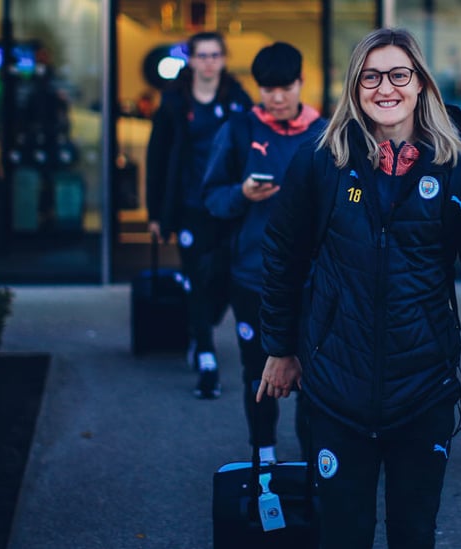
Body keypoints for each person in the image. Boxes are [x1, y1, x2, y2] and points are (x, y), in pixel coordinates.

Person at [257, 28, 461, 548]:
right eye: (371, 76)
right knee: (343, 535)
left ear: (421, 84)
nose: (386, 87)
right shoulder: (322, 161)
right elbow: (282, 257)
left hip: (423, 392)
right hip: (337, 392)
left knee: (413, 535)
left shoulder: (459, 171)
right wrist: (281, 347)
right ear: (354, 87)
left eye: (399, 74)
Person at [201, 42, 327, 464]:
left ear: (301, 84)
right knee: (258, 372)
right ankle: (264, 455)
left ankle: (314, 465)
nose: (276, 98)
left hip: (315, 280)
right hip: (252, 276)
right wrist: (242, 193)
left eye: (285, 88)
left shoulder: (324, 132)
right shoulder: (239, 131)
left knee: (316, 376)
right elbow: (212, 198)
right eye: (267, 89)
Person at [145, 31, 252, 399]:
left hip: (229, 204)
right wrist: (156, 212)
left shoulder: (239, 100)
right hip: (190, 205)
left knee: (222, 278)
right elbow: (157, 158)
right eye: (201, 55)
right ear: (190, 60)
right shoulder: (174, 102)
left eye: (214, 55)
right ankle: (206, 357)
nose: (208, 62)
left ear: (223, 59)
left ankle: (199, 327)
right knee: (194, 276)